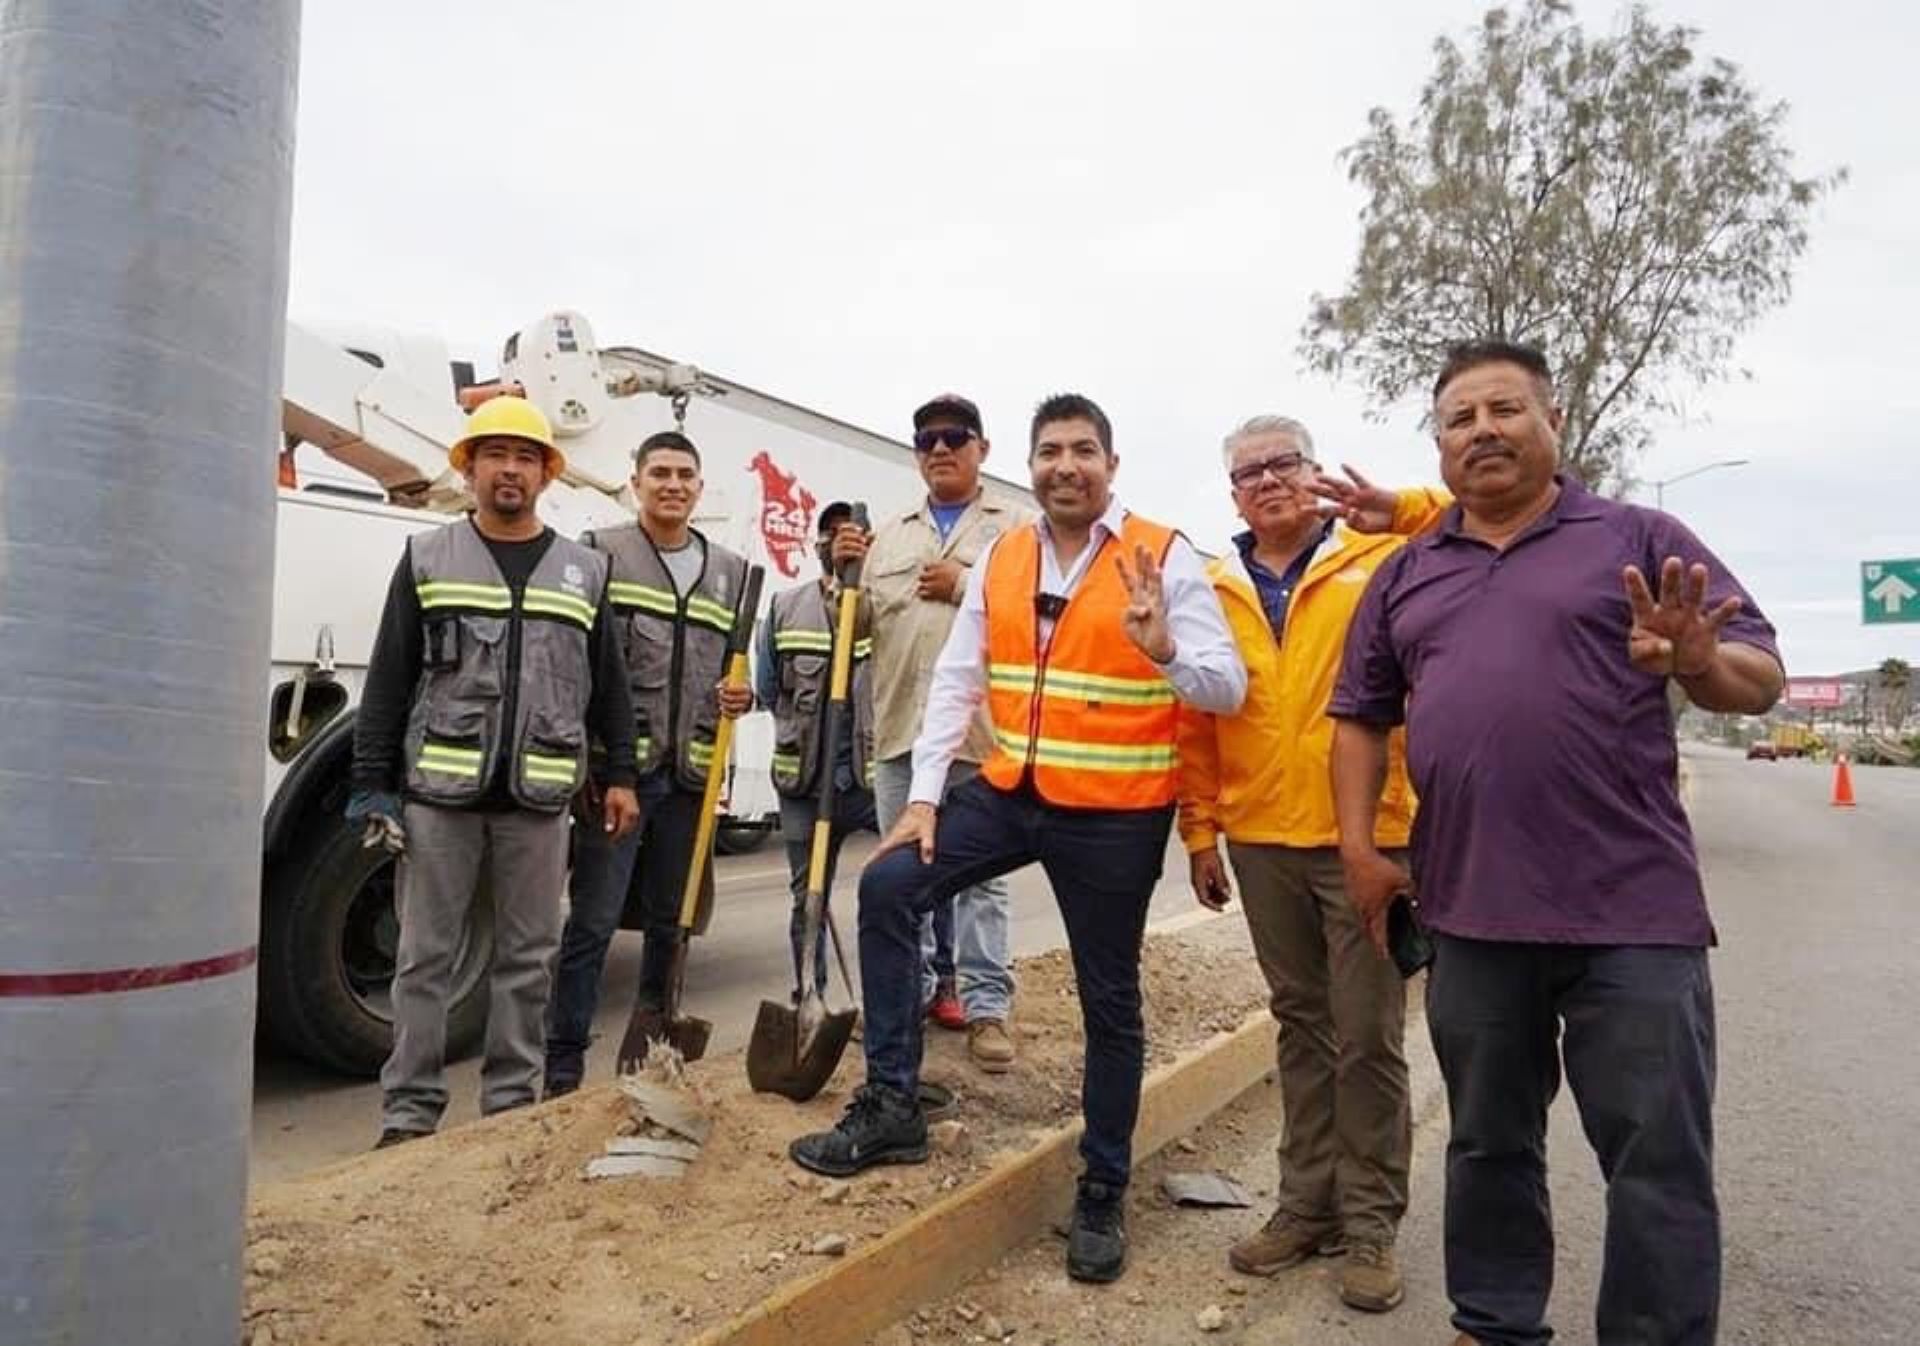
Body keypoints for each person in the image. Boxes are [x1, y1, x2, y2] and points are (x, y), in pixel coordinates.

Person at [1328, 341, 1783, 1346]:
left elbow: (1760, 674)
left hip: (1634, 914)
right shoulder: (1406, 571)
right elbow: (1359, 715)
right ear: (1439, 445)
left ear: (1553, 421)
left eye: (1505, 408)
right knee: (1488, 1140)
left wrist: (1700, 662)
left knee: (1656, 1156)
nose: (1482, 429)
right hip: (1471, 910)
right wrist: (1361, 846)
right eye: (1459, 417)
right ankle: (1493, 1320)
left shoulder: (1638, 534)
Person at [790, 394, 1247, 1286]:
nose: (1065, 466)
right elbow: (958, 681)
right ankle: (892, 1105)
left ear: (1110, 465)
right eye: (1050, 452)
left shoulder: (1164, 554)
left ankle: (1102, 1187)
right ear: (1029, 467)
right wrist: (923, 803)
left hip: (1115, 815)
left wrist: (1163, 651)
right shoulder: (1006, 553)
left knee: (1107, 998)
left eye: (1083, 450)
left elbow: (1225, 689)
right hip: (1011, 791)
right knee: (888, 889)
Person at [1179, 415, 1447, 1313]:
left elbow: (1473, 512)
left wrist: (1398, 504)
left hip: (1366, 837)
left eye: (1283, 464)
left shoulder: (1380, 556)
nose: (1268, 482)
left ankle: (1369, 1223)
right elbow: (1197, 713)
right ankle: (1306, 1206)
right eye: (1249, 472)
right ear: (1233, 495)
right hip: (1261, 839)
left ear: (1314, 470)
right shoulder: (1214, 587)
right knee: (1299, 1026)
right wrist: (1201, 829)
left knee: (1368, 1034)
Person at [349, 395, 640, 1147]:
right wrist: (372, 784)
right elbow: (388, 679)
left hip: (540, 800)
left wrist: (620, 775)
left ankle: (509, 1109)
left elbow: (609, 685)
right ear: (470, 468)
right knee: (423, 959)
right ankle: (409, 1114)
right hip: (437, 798)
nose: (509, 470)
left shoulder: (586, 572)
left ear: (547, 474)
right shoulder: (426, 558)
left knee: (528, 958)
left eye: (524, 458)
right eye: (494, 456)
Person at [543, 429, 753, 1096]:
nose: (672, 484)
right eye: (659, 472)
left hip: (691, 781)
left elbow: (730, 675)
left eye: (685, 474)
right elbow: (574, 669)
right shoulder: (600, 554)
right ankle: (563, 1065)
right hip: (620, 781)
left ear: (699, 486)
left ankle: (657, 1051)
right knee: (593, 923)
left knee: (673, 922)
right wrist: (587, 767)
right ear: (635, 482)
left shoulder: (730, 572)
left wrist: (739, 695)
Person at [832, 393, 1031, 1071]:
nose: (940, 449)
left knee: (982, 882)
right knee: (899, 874)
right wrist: (842, 578)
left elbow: (1045, 609)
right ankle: (906, 999)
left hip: (984, 736)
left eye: (955, 437)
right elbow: (852, 633)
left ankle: (986, 1009)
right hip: (901, 734)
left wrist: (968, 583)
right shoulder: (888, 534)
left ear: (982, 448)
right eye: (927, 440)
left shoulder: (1018, 532)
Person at [755, 501, 879, 999]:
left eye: (852, 533)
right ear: (818, 546)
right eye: (830, 533)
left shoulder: (887, 605)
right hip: (805, 782)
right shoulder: (786, 608)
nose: (841, 541)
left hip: (870, 782)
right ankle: (811, 997)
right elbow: (768, 689)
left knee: (905, 887)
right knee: (808, 898)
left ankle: (916, 994)